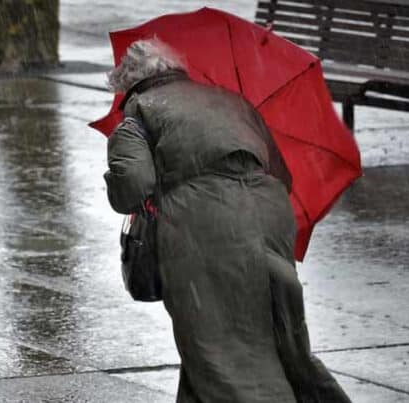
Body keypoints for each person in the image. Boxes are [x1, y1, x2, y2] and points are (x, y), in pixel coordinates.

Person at [104, 39, 351, 403]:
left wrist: (118, 178)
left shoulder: (139, 113)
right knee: (276, 336)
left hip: (204, 223)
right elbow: (281, 174)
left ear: (128, 82)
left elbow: (132, 187)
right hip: (267, 212)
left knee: (218, 347)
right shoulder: (229, 99)